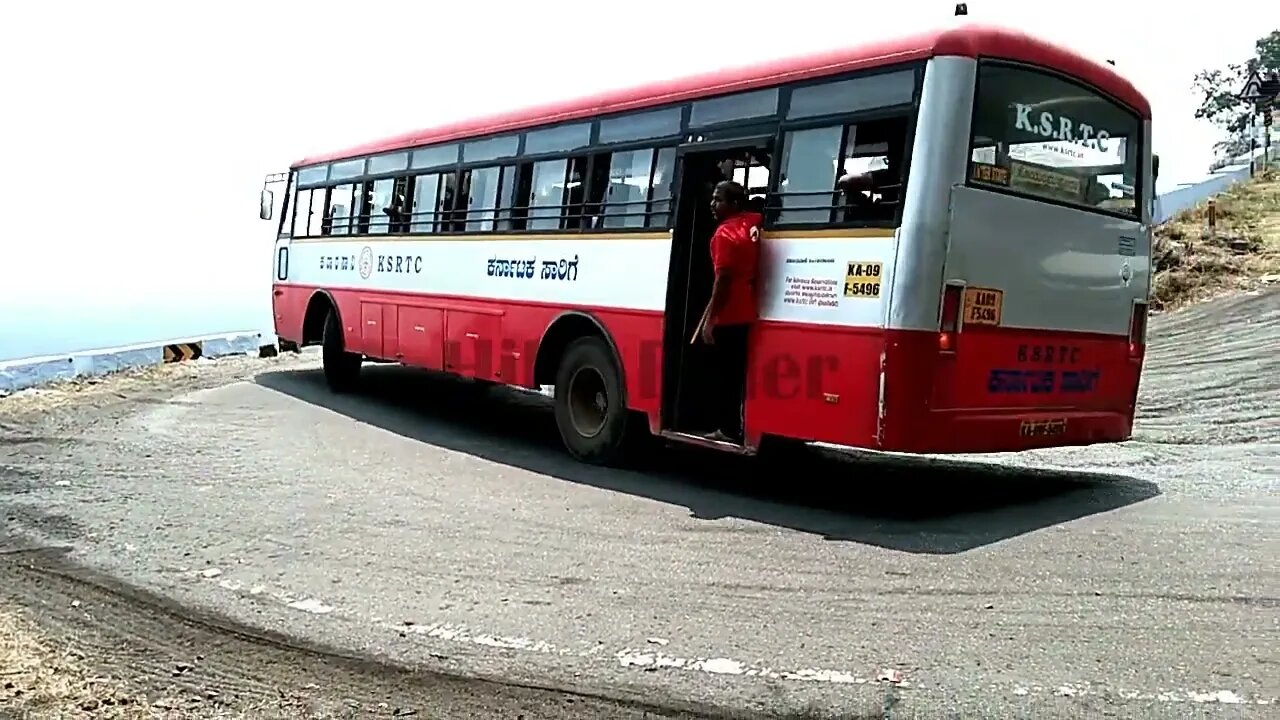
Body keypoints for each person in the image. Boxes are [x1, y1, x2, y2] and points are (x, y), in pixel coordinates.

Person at [691, 180, 763, 443]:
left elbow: (722, 281)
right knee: (736, 374)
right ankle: (735, 425)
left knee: (724, 376)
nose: (712, 204)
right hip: (748, 311)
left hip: (730, 314)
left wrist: (710, 321)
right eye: (712, 199)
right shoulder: (754, 223)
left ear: (734, 204)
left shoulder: (723, 235)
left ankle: (728, 428)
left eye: (718, 200)